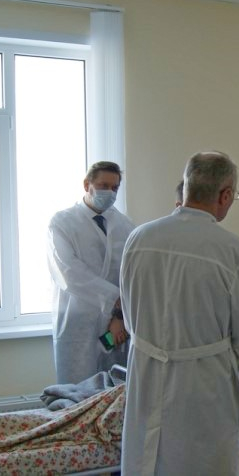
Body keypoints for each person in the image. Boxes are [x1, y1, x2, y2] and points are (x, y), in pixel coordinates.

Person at [120, 151, 239, 476]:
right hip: (204, 387)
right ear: (225, 195)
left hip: (145, 374)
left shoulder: (139, 239)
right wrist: (212, 361)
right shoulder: (234, 252)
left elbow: (130, 317)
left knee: (147, 463)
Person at [47, 161, 135, 384]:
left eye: (115, 188)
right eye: (104, 186)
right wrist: (115, 299)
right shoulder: (62, 222)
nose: (110, 192)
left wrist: (119, 316)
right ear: (87, 185)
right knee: (77, 389)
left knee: (114, 388)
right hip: (78, 322)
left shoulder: (125, 225)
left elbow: (132, 274)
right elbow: (68, 273)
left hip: (116, 324)